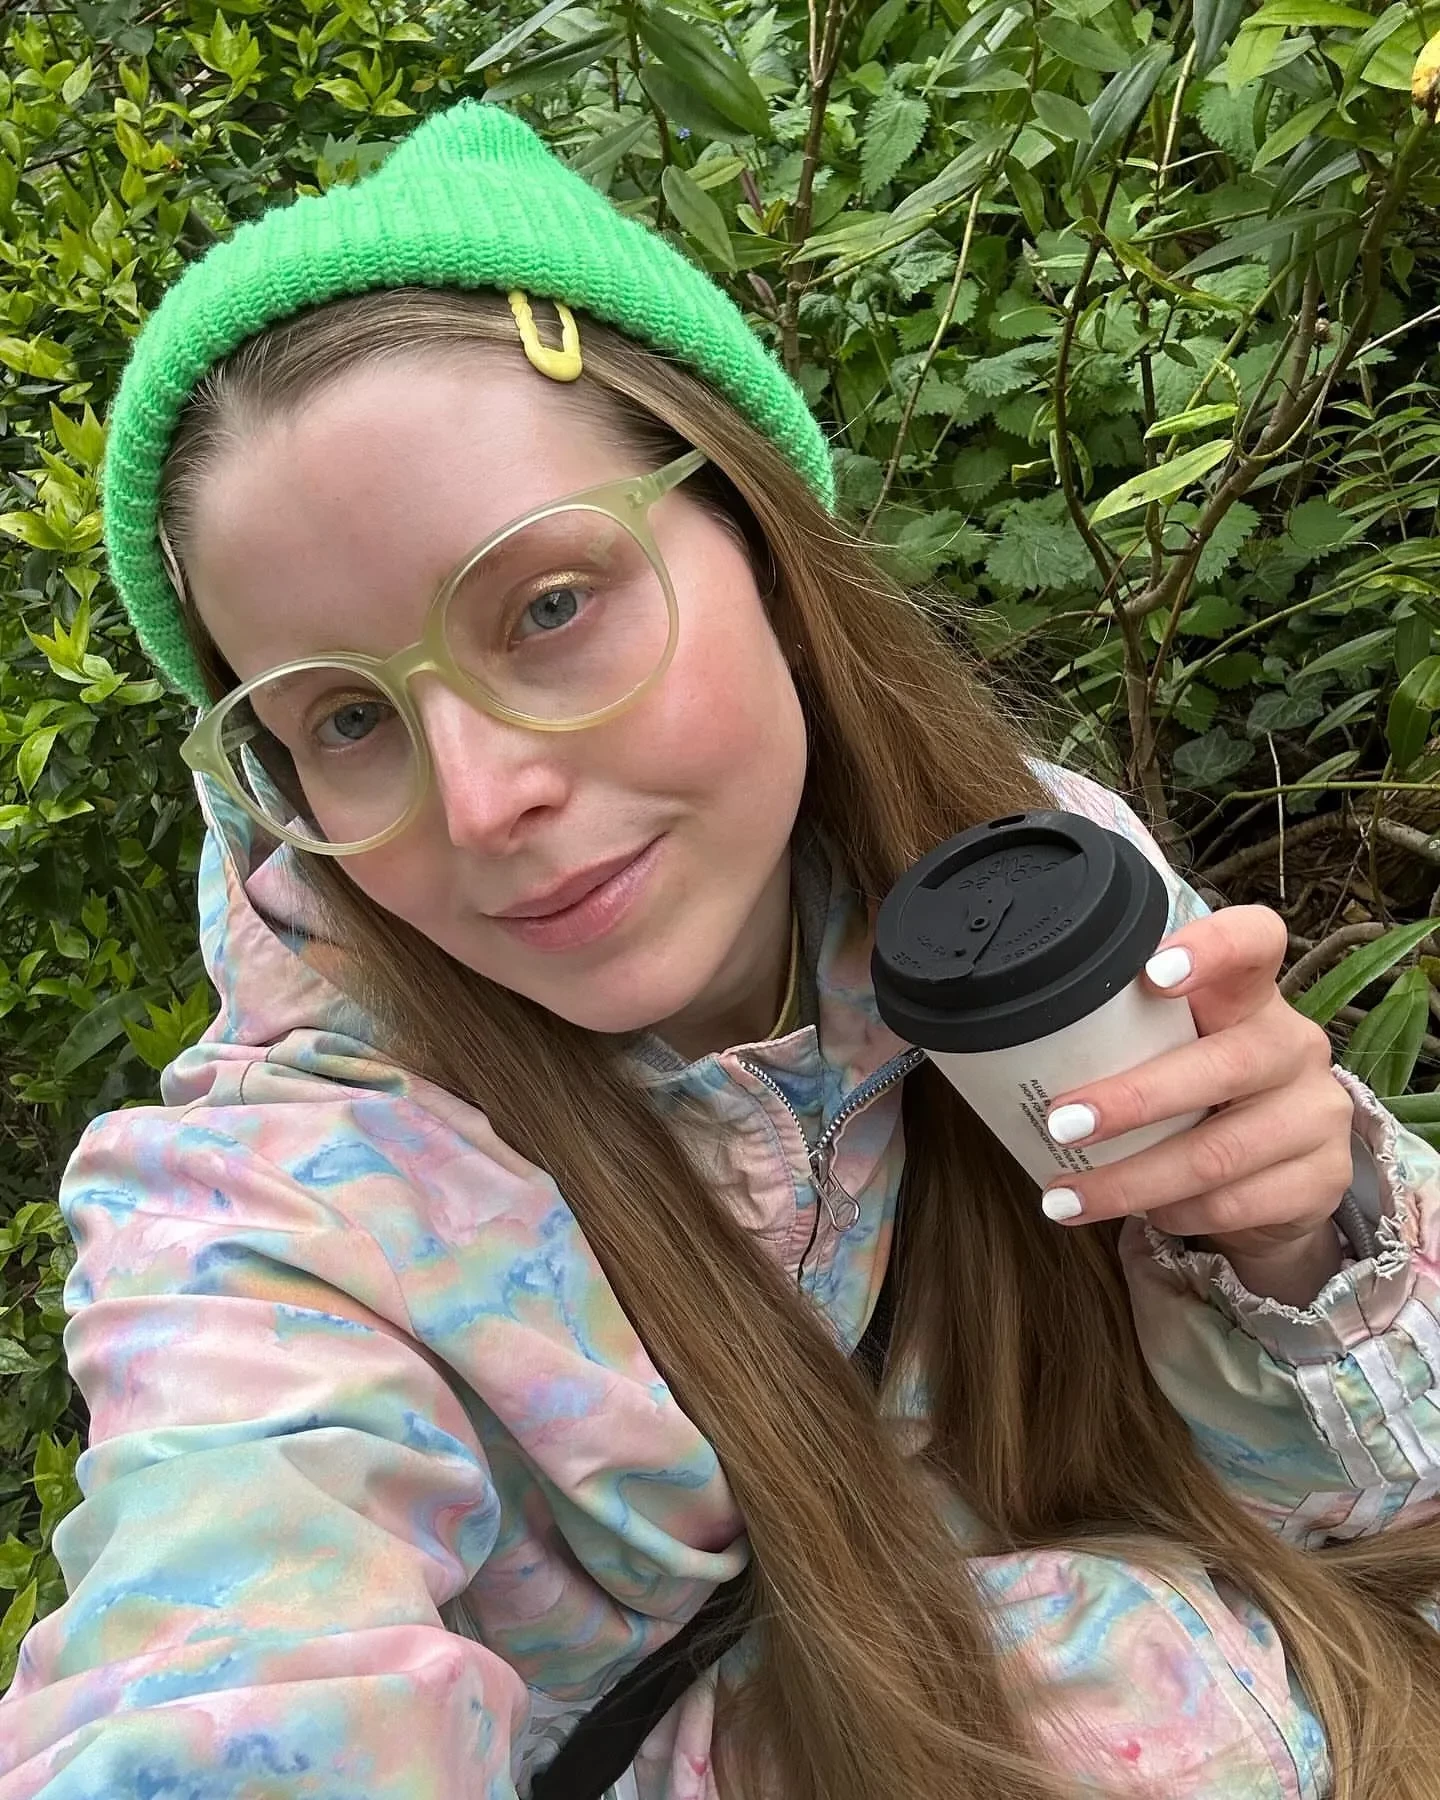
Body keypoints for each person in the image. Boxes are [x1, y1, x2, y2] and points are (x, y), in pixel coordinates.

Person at [1, 101, 1437, 1800]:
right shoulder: (292, 1207)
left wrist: (1297, 1245)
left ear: (759, 540)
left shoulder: (1026, 879)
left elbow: (1354, 1511)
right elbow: (220, 1640)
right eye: (347, 720)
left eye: (548, 607)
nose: (484, 799)